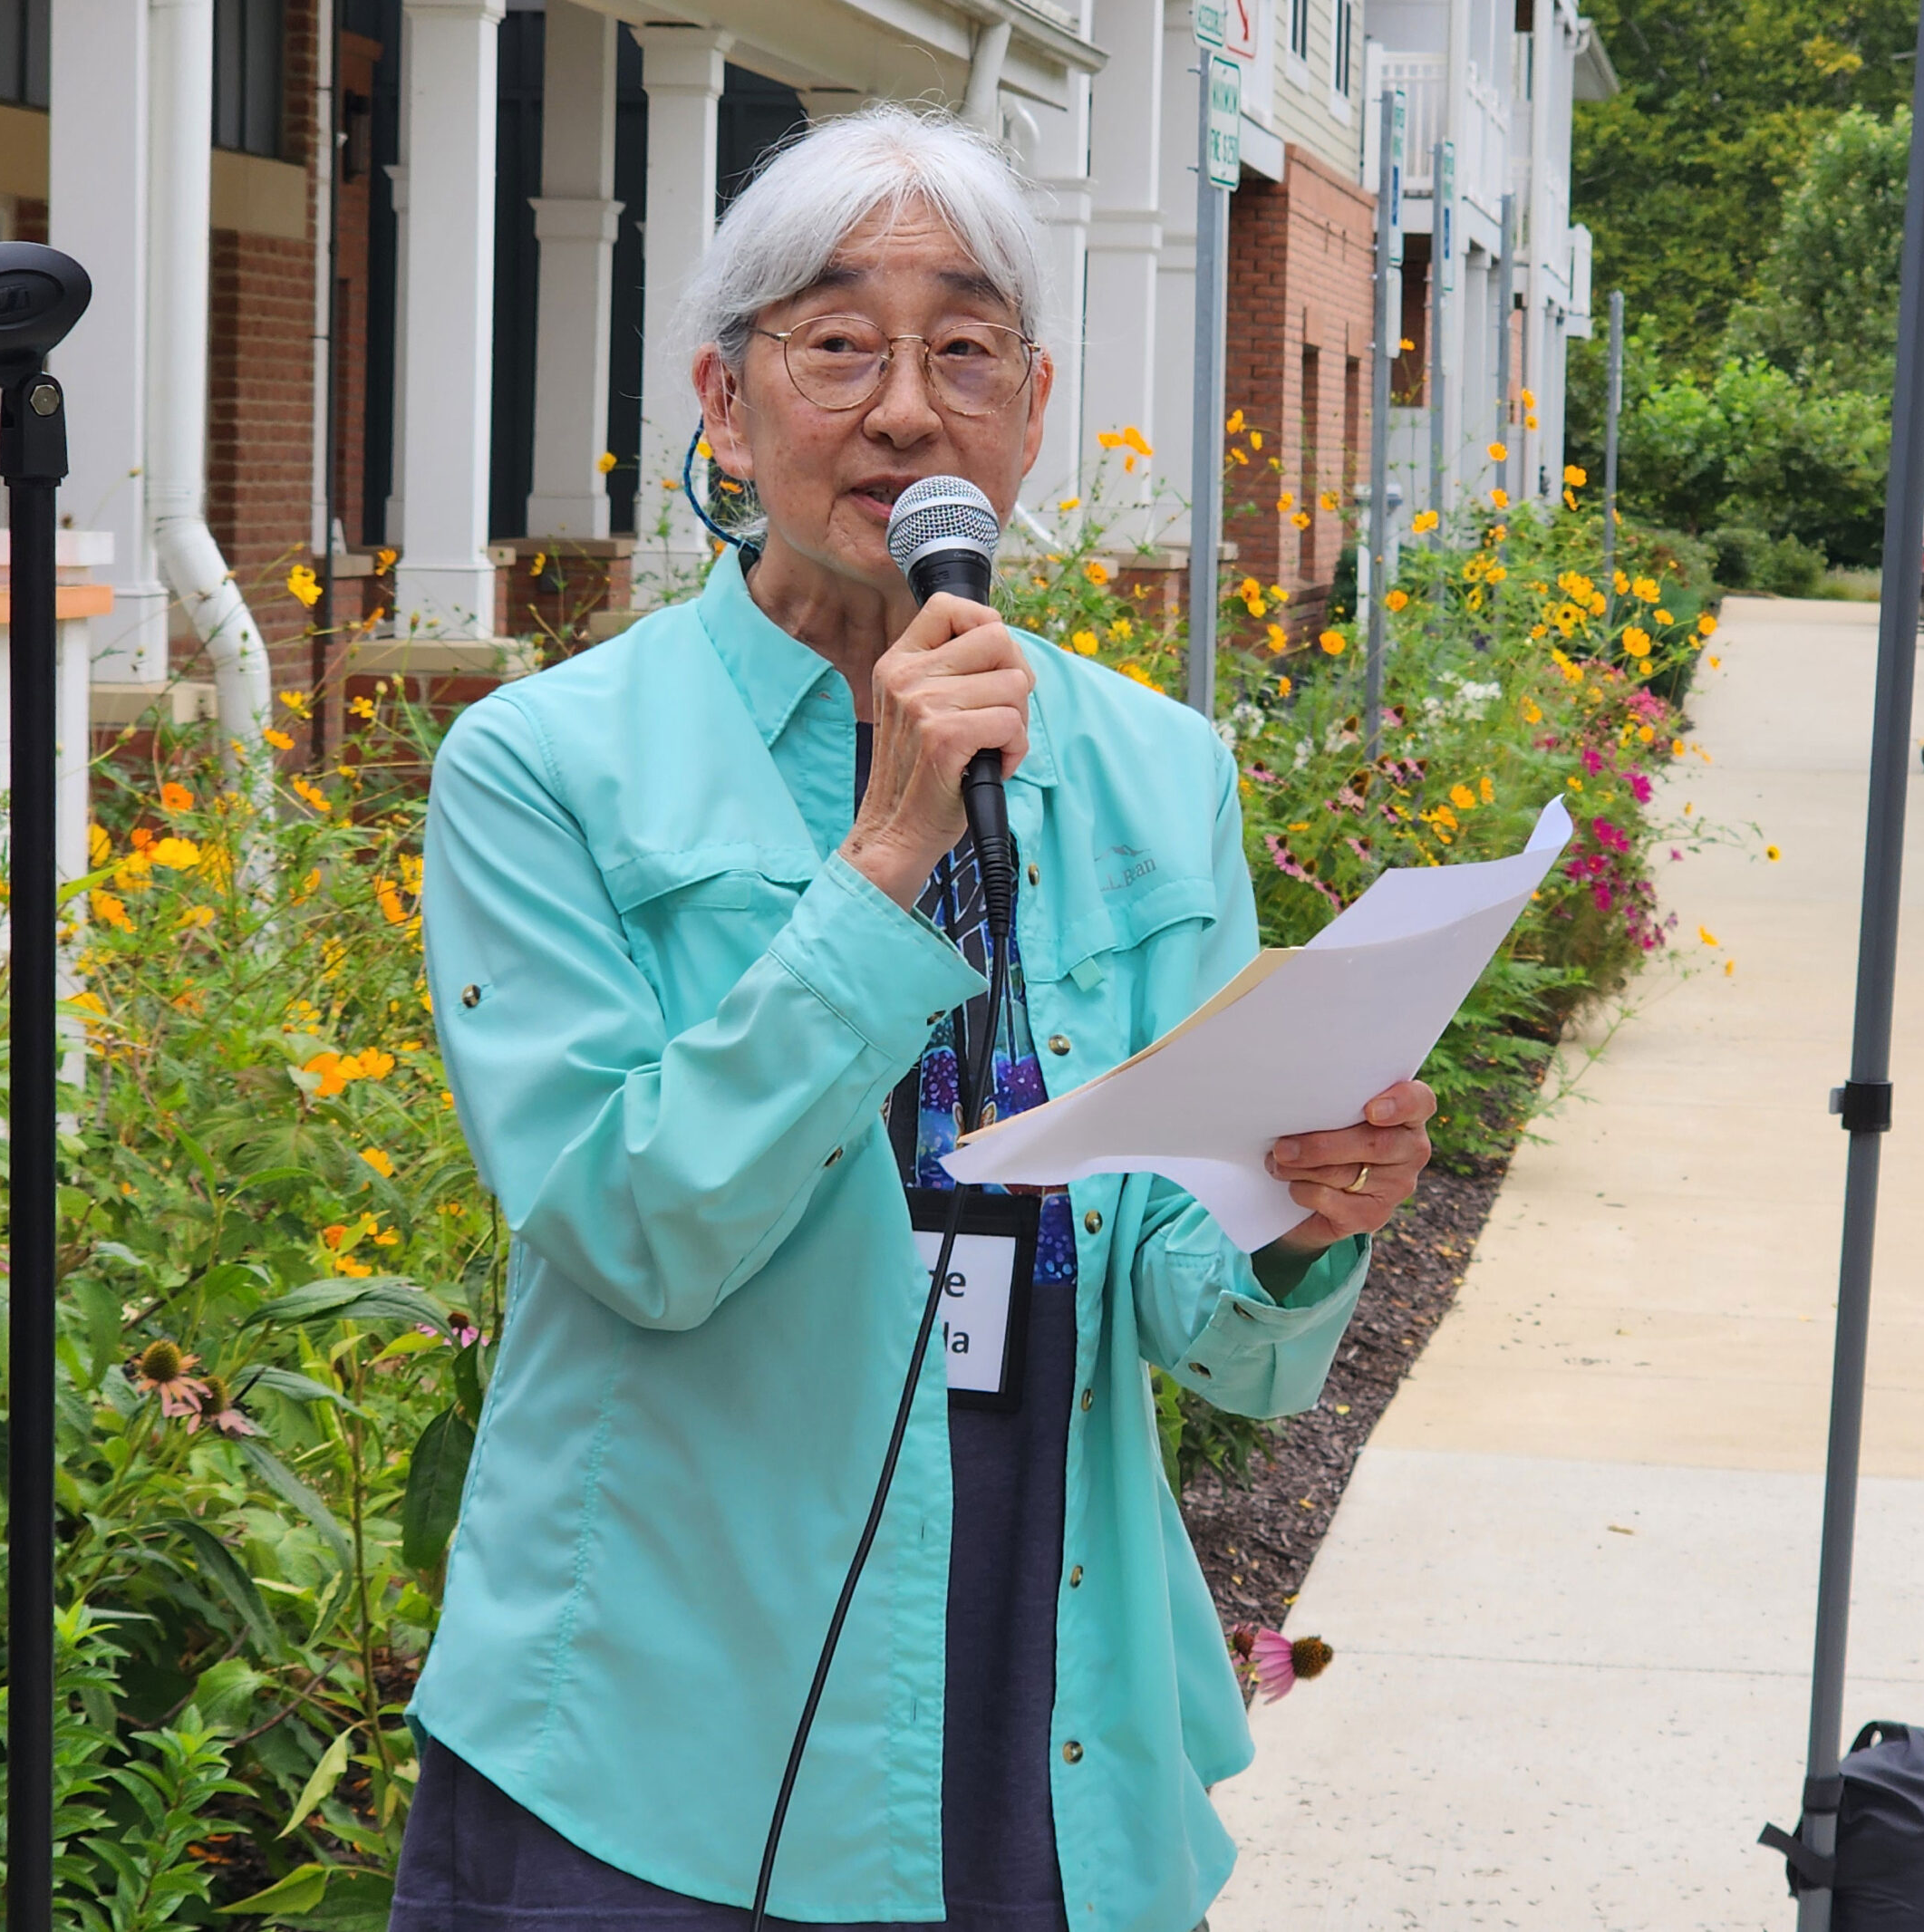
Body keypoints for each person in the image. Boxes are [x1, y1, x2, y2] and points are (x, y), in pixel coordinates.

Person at [391, 104, 1436, 1932]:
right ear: (722, 401)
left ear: (1029, 417)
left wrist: (1300, 1219)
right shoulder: (543, 767)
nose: (903, 408)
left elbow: (1196, 1318)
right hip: (657, 1712)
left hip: (1045, 1662)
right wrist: (880, 859)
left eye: (964, 349)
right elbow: (632, 1227)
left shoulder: (1152, 770)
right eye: (837, 346)